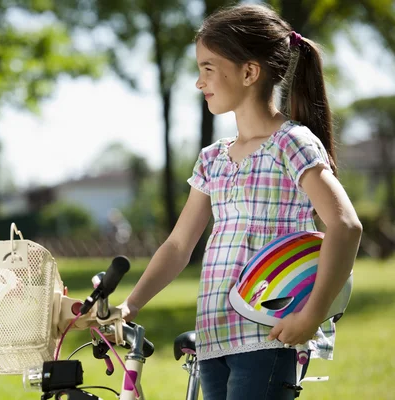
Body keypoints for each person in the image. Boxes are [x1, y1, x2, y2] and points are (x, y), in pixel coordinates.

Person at [121, 4, 362, 400]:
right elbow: (179, 245)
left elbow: (346, 225)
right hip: (214, 339)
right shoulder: (213, 158)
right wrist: (130, 306)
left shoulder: (291, 143)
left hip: (267, 337)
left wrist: (312, 315)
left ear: (250, 72)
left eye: (208, 68)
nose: (199, 82)